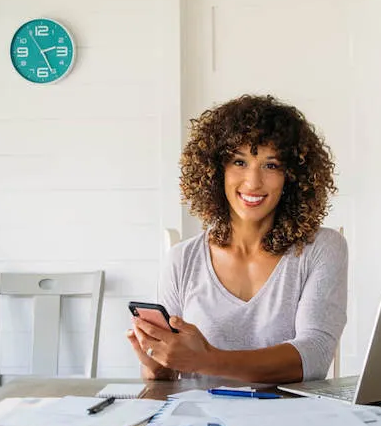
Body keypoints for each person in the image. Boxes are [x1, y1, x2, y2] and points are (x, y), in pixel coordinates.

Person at [128, 94, 347, 383]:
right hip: (201, 419)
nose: (253, 182)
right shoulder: (183, 259)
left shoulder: (322, 248)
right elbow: (167, 378)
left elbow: (315, 355)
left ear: (292, 176)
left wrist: (206, 360)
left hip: (290, 421)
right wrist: (155, 364)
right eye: (239, 162)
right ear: (215, 170)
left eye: (271, 165)